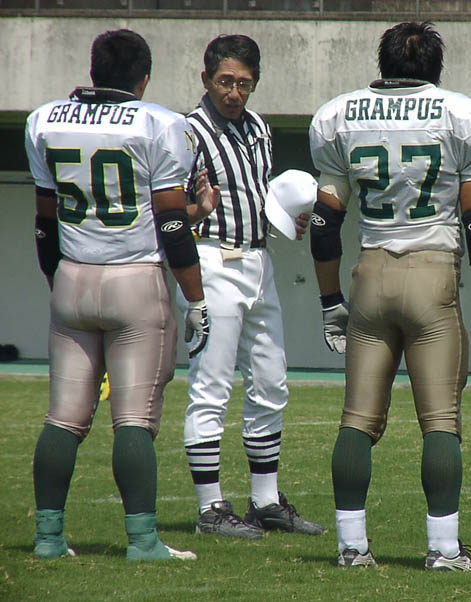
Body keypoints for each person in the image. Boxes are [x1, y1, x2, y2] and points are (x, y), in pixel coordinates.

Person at [309, 21, 471, 571]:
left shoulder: (338, 115)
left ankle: (352, 547)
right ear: (436, 67)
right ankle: (444, 550)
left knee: (356, 418)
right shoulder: (463, 116)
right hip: (433, 274)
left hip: (371, 272)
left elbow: (324, 225)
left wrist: (329, 300)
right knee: (440, 420)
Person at [25, 29, 216, 561]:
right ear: (144, 78)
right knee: (133, 418)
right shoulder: (160, 124)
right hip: (135, 282)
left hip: (72, 276)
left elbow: (44, 224)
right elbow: (171, 226)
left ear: (94, 69)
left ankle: (47, 537)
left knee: (63, 417)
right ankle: (143, 540)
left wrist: (58, 285)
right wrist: (197, 299)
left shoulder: (45, 120)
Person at [181, 34, 324, 539]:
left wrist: (287, 215)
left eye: (244, 83)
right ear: (206, 79)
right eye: (226, 81)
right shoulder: (188, 132)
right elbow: (169, 208)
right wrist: (196, 209)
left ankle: (264, 500)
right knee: (211, 384)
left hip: (258, 261)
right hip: (211, 256)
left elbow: (257, 191)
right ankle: (210, 508)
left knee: (270, 381)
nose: (234, 92)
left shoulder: (258, 127)